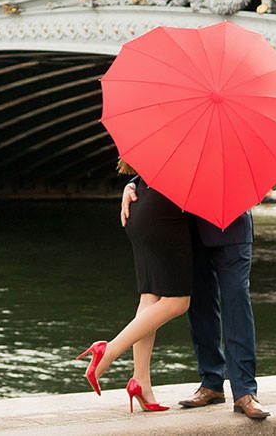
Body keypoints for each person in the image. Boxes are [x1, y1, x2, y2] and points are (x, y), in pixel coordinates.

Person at [122, 179, 270, 420]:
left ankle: (244, 392)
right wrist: (132, 184)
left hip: (232, 228)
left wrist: (261, 185)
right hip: (188, 230)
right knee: (200, 307)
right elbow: (165, 160)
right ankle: (211, 383)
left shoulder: (238, 142)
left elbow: (265, 177)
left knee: (236, 302)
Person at [76, 164, 192, 414]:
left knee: (150, 297)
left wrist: (132, 183)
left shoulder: (168, 135)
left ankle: (141, 382)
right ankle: (109, 350)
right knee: (178, 301)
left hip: (144, 205)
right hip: (165, 212)